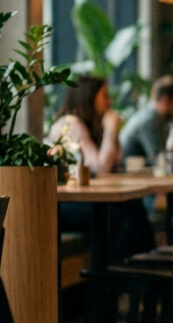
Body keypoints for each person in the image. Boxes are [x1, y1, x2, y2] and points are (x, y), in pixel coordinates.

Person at [48, 75, 154, 260]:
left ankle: (142, 270)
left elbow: (115, 162)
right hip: (62, 205)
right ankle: (112, 279)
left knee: (133, 205)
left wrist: (109, 131)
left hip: (80, 199)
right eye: (104, 95)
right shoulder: (70, 123)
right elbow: (101, 167)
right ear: (88, 97)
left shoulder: (89, 124)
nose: (109, 101)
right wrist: (111, 130)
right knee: (116, 212)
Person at [119, 76, 173, 165]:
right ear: (165, 100)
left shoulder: (158, 119)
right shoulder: (149, 120)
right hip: (128, 176)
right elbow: (157, 159)